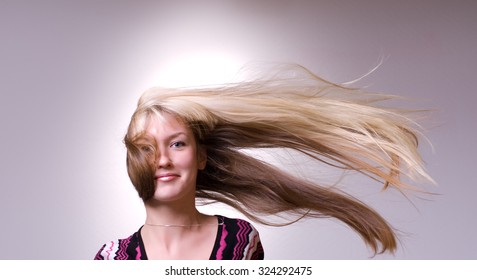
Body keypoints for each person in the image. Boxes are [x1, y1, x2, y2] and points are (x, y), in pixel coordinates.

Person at [94, 64, 433, 260]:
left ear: (201, 157)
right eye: (147, 149)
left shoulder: (240, 241)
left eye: (177, 144)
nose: (163, 160)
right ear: (131, 161)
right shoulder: (111, 260)